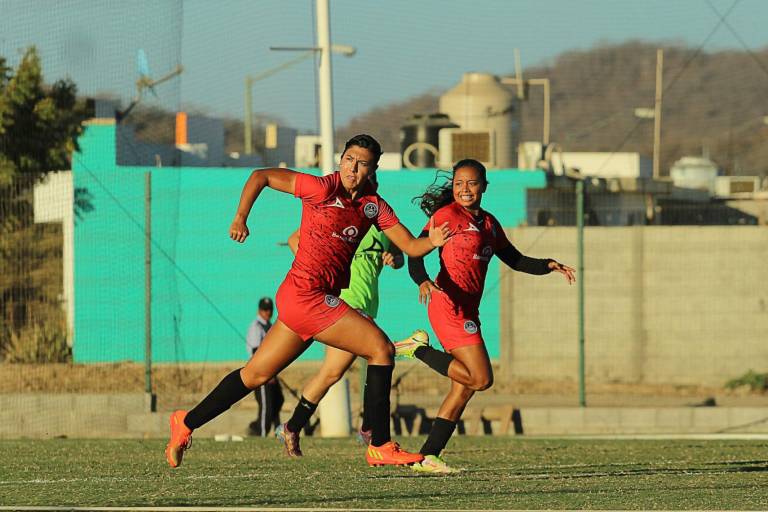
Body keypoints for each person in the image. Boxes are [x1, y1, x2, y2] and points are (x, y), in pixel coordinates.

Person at [165, 134, 452, 468]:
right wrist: (241, 217)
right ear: (341, 159)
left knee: (255, 375)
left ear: (373, 169)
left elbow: (409, 246)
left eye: (361, 164)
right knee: (381, 349)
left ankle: (185, 422)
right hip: (306, 297)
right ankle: (381, 444)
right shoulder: (320, 188)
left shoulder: (373, 205)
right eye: (348, 160)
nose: (352, 168)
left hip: (305, 301)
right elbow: (261, 176)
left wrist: (431, 241)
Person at [396, 159, 575, 473]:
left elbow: (515, 259)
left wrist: (548, 264)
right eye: (459, 183)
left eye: (471, 183)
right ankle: (417, 348)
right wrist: (421, 279)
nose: (464, 189)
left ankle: (428, 456)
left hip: (469, 310)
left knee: (463, 387)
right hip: (447, 303)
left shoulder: (490, 224)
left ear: (483, 186)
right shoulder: (446, 215)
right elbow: (416, 251)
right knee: (481, 378)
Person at [276, 171, 421, 456]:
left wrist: (395, 259)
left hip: (366, 304)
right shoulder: (342, 215)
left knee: (334, 372)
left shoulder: (380, 221)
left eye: (373, 183)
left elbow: (403, 253)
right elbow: (296, 239)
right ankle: (371, 431)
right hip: (341, 301)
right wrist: (316, 270)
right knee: (376, 355)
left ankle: (293, 427)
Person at [246, 297, 284, 437]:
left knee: (278, 400)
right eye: (265, 309)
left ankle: (270, 430)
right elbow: (256, 351)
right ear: (259, 310)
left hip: (271, 371)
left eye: (270, 309)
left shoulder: (270, 326)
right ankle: (260, 433)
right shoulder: (256, 327)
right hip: (261, 371)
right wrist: (268, 373)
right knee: (266, 406)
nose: (268, 312)